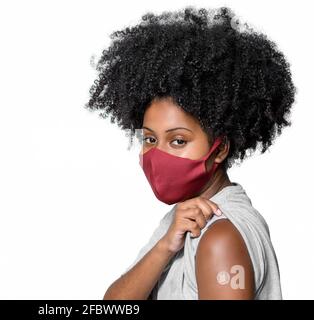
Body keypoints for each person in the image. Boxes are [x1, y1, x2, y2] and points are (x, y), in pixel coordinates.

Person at [84, 6, 295, 299]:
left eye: (178, 141)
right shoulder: (180, 223)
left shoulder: (219, 238)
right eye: (149, 139)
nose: (158, 156)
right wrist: (164, 247)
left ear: (219, 148)